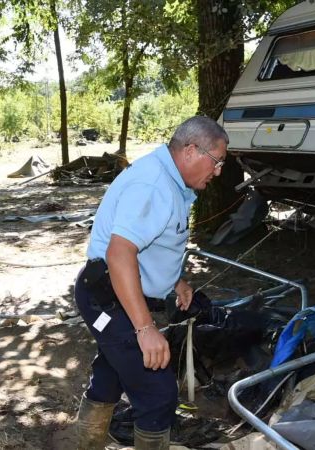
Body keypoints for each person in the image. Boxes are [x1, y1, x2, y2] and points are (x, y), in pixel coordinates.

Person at [74, 116, 229, 449]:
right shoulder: (154, 185)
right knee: (158, 393)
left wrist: (176, 281)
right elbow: (119, 255)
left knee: (111, 373)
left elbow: (153, 242)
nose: (218, 172)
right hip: (107, 297)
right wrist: (145, 329)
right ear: (191, 151)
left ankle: (84, 443)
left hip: (114, 292)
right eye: (216, 162)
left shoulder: (171, 181)